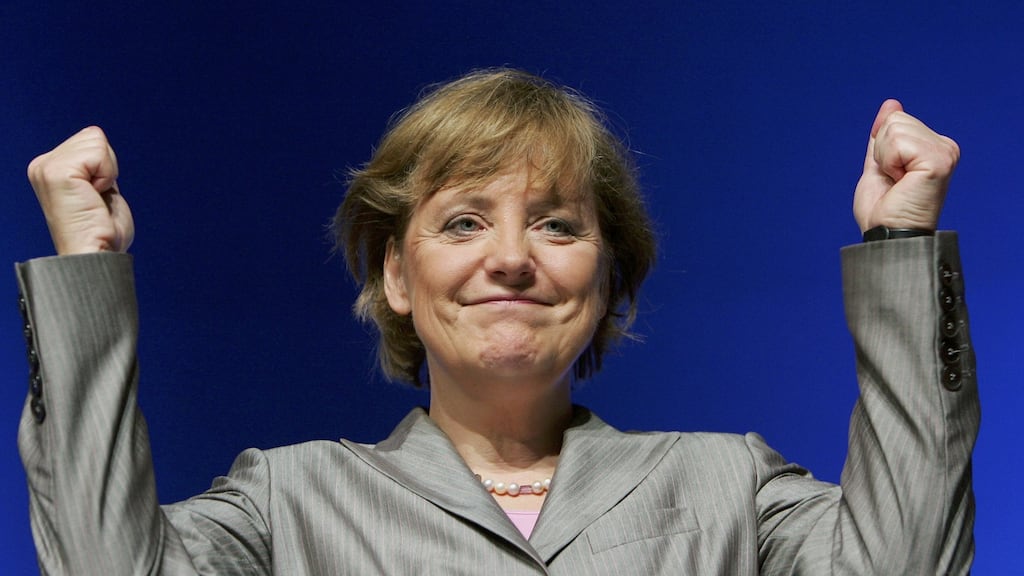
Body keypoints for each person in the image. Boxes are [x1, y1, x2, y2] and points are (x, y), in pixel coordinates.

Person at [16, 69, 978, 574]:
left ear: (607, 278)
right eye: (464, 221)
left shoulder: (729, 486)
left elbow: (909, 562)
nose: (512, 256)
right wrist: (87, 271)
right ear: (397, 273)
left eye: (558, 224)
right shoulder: (287, 502)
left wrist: (900, 246)